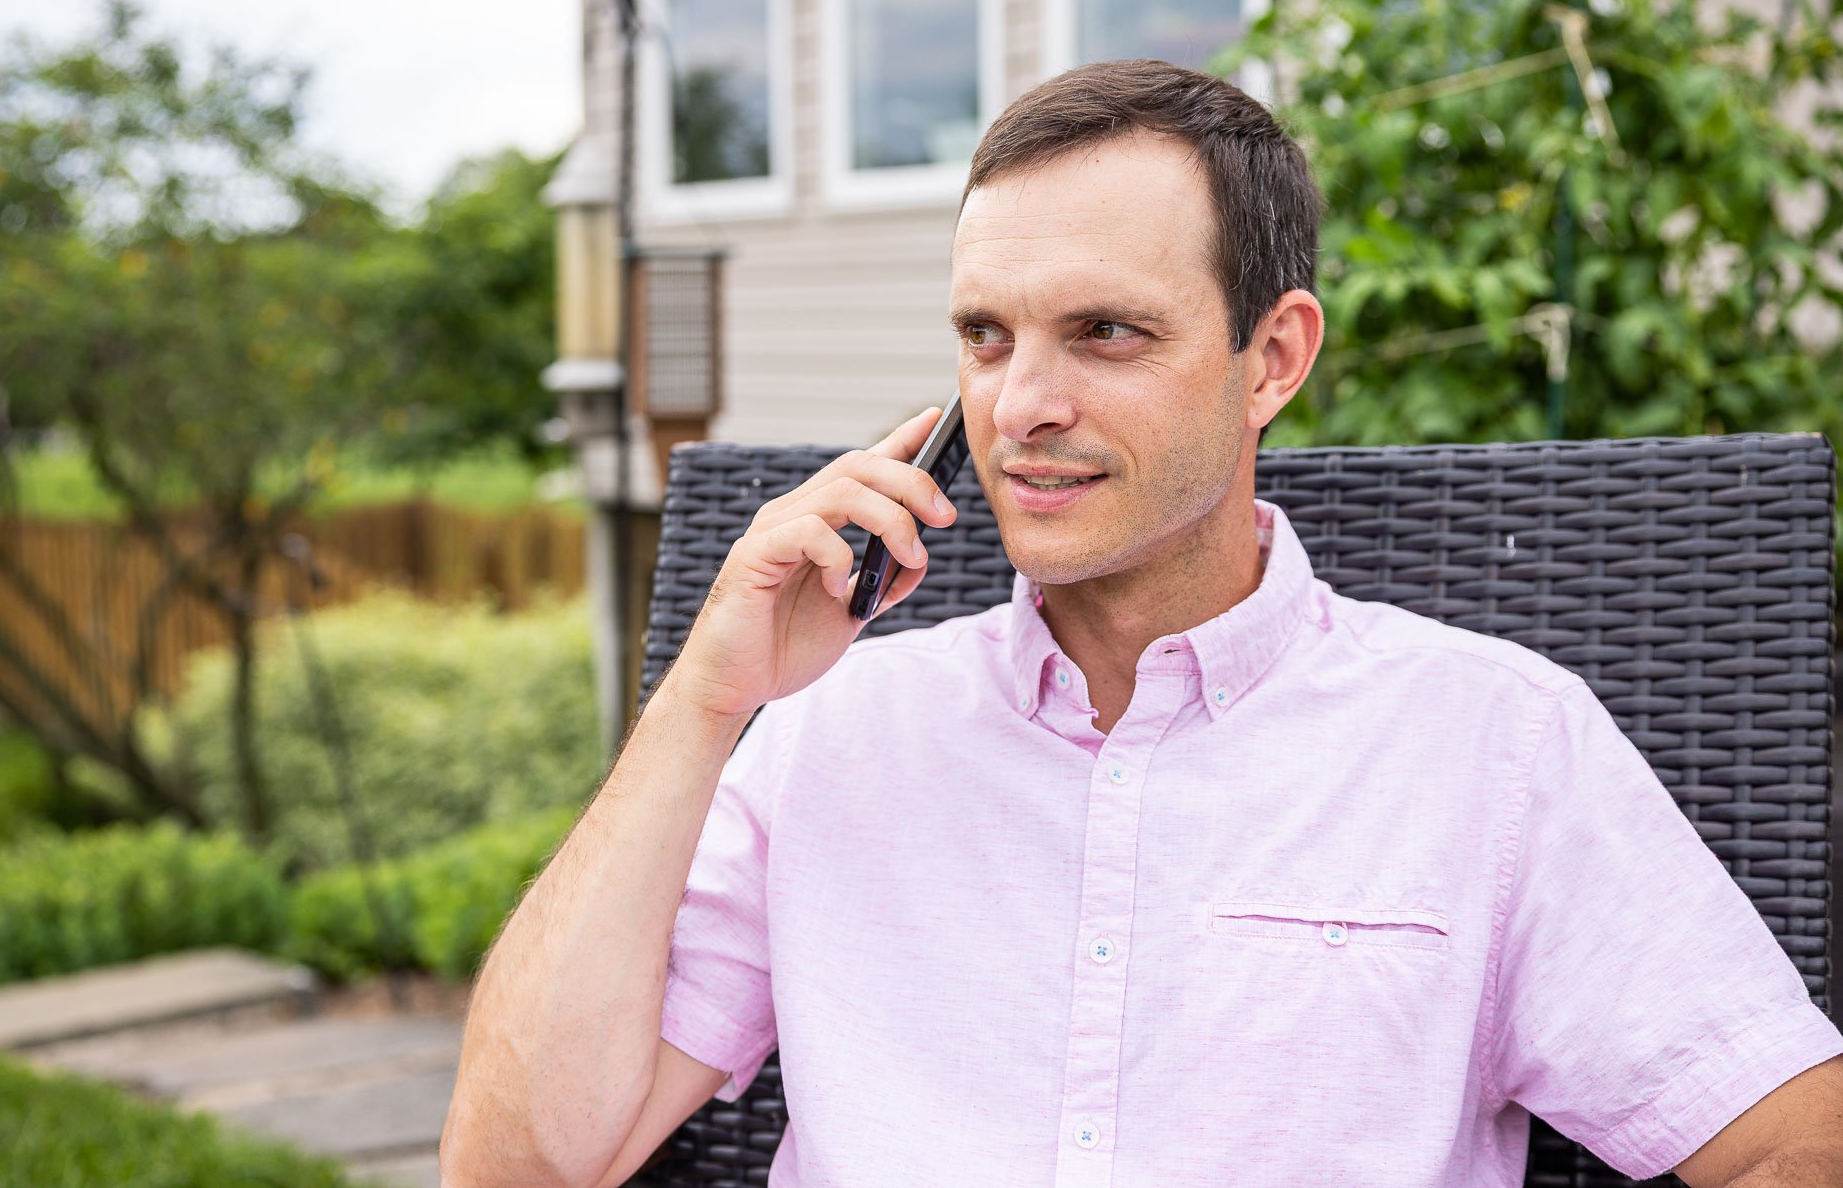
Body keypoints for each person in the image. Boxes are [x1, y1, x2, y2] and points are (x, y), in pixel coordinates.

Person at [441, 59, 1843, 1188]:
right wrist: (704, 703)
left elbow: (1794, 1142)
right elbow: (516, 1165)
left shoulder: (1493, 745)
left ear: (1271, 358)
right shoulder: (828, 733)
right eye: (986, 336)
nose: (1020, 405)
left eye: (1105, 333)